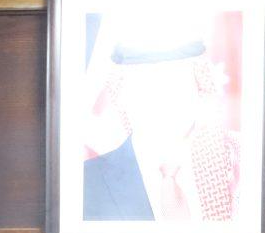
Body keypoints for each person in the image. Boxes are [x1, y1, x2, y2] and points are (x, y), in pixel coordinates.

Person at [83, 31, 239, 222]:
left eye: (176, 79)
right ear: (121, 95)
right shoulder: (84, 184)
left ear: (199, 88)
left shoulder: (239, 166)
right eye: (145, 81)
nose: (163, 97)